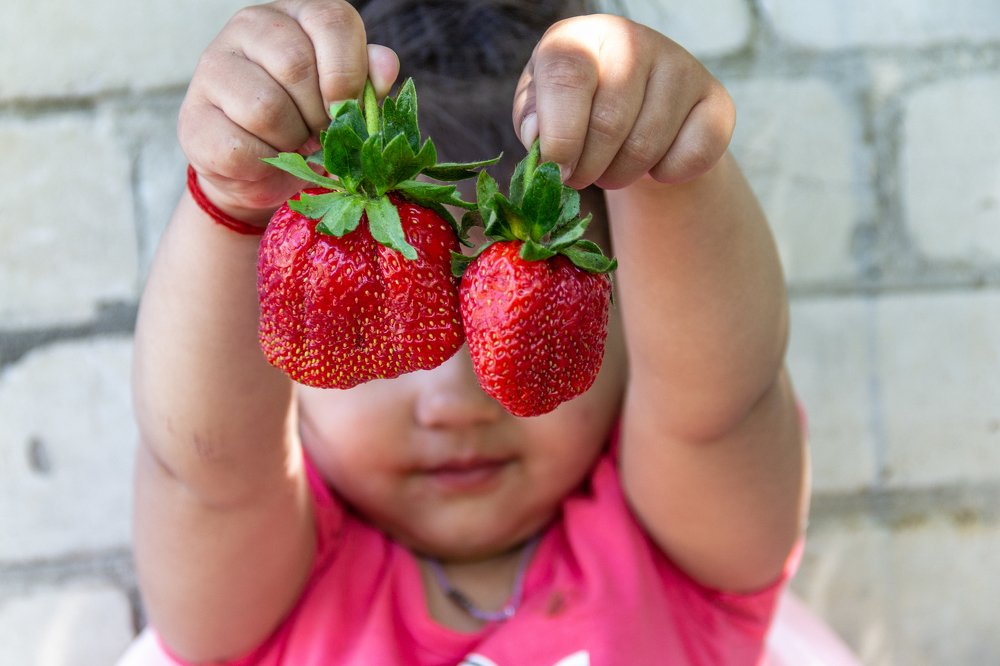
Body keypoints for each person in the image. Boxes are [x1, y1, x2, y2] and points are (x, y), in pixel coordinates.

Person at [121, 0, 831, 664]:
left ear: (631, 318)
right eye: (377, 333)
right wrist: (234, 200)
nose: (456, 402)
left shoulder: (677, 545)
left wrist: (658, 167)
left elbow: (715, 407)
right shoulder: (260, 583)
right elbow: (211, 468)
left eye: (525, 325)